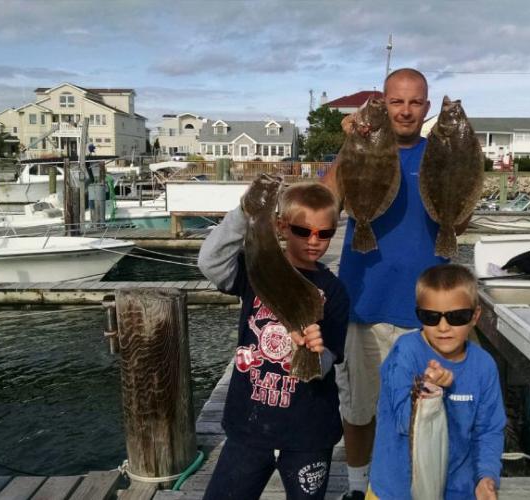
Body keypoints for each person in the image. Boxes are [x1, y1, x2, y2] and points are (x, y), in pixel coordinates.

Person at [322, 68, 468, 499]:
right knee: (360, 408)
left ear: (426, 107)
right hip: (364, 301)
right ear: (383, 104)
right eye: (396, 101)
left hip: (427, 310)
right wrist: (352, 145)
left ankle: (409, 487)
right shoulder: (362, 147)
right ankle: (355, 487)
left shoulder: (441, 152)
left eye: (415, 102)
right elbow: (325, 204)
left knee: (420, 410)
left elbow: (462, 218)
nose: (406, 110)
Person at [198, 179, 350, 500]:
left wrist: (313, 350)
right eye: (302, 231)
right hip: (249, 428)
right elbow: (209, 262)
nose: (314, 241)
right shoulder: (256, 270)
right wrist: (245, 211)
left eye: (325, 234)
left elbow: (329, 360)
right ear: (281, 226)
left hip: (309, 433)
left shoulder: (334, 291)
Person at [368, 263, 505, 500]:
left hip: (459, 491)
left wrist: (486, 477)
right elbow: (403, 421)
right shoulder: (405, 353)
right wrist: (424, 389)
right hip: (394, 491)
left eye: (457, 317)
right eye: (431, 317)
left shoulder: (484, 366)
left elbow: (489, 431)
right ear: (418, 315)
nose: (443, 327)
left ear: (475, 317)